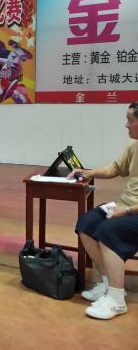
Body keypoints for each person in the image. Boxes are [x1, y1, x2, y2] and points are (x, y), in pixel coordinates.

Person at [68, 102, 138, 320]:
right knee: (86, 224)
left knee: (109, 230)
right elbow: (116, 168)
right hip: (126, 206)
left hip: (132, 210)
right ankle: (109, 284)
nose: (126, 125)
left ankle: (117, 301)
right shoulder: (134, 145)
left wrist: (126, 211)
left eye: (130, 120)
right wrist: (89, 172)